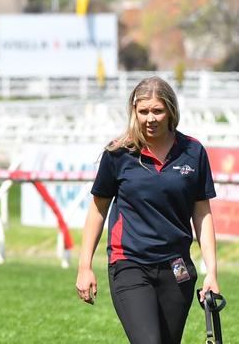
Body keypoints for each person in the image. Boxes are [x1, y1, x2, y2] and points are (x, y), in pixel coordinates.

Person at [75, 76, 220, 344]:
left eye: (157, 110)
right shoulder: (118, 153)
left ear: (170, 111)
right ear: (134, 112)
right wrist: (85, 266)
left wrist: (211, 270)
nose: (150, 118)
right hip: (130, 263)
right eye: (143, 111)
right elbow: (98, 210)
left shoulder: (193, 151)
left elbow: (202, 214)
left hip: (177, 267)